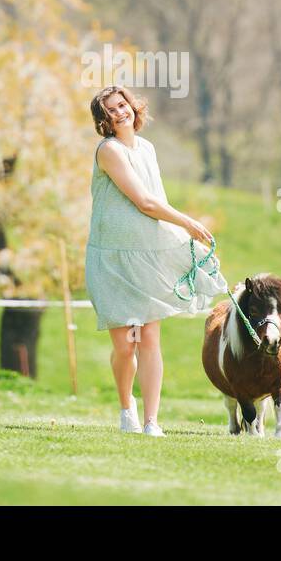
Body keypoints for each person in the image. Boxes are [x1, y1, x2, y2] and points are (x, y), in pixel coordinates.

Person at [84, 85, 227, 436]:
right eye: (111, 110)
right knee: (124, 344)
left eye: (122, 105)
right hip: (114, 258)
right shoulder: (109, 151)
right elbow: (144, 202)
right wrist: (189, 222)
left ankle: (151, 421)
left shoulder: (147, 149)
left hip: (147, 256)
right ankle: (126, 407)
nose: (120, 113)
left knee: (148, 338)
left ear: (133, 106)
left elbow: (157, 201)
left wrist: (180, 239)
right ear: (104, 120)